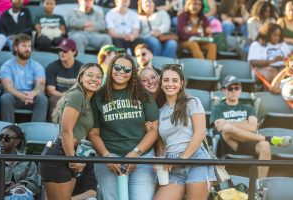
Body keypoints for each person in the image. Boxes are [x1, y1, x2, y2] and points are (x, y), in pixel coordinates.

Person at [89, 53, 159, 200]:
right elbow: (93, 133)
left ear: (132, 73)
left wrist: (136, 153)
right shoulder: (98, 96)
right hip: (110, 156)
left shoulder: (143, 94)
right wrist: (107, 156)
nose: (121, 72)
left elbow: (154, 130)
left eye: (127, 69)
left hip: (142, 156)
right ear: (111, 68)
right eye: (118, 67)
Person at [40, 63, 104, 200]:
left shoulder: (87, 99)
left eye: (99, 76)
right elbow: (66, 131)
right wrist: (73, 161)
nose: (95, 79)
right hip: (60, 155)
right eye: (90, 75)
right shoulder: (77, 96)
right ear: (81, 78)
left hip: (69, 154)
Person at [210, 75, 292, 178]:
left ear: (240, 90)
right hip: (229, 145)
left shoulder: (248, 108)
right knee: (227, 129)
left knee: (265, 146)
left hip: (247, 142)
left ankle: (259, 186)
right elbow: (220, 127)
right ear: (224, 90)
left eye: (237, 88)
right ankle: (269, 139)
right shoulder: (218, 108)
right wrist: (244, 124)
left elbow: (252, 127)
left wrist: (228, 122)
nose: (234, 91)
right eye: (230, 88)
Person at [154, 64, 216, 200]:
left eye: (175, 80)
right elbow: (162, 144)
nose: (170, 84)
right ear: (161, 83)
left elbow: (200, 134)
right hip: (172, 165)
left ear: (181, 83)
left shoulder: (192, 102)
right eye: (166, 80)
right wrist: (160, 160)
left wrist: (180, 159)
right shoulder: (160, 111)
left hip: (195, 160)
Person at [0, 33, 48, 123]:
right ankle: (8, 131)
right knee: (6, 97)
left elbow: (40, 86)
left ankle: (36, 132)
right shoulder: (7, 66)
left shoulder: (36, 66)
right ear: (15, 48)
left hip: (31, 98)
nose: (27, 49)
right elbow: (8, 87)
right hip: (15, 98)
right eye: (24, 46)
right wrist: (21, 96)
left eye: (29, 46)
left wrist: (32, 94)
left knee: (42, 99)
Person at [0, 124, 39, 199]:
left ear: (17, 141)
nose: (2, 140)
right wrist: (2, 191)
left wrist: (20, 185)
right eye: (0, 137)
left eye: (7, 138)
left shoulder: (28, 161)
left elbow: (34, 186)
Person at [46, 38, 83, 121]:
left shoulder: (81, 68)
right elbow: (50, 91)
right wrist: (66, 97)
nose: (61, 53)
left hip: (76, 98)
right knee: (54, 99)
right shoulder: (52, 67)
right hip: (59, 97)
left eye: (65, 51)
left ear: (74, 52)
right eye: (60, 50)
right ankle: (53, 128)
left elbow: (83, 90)